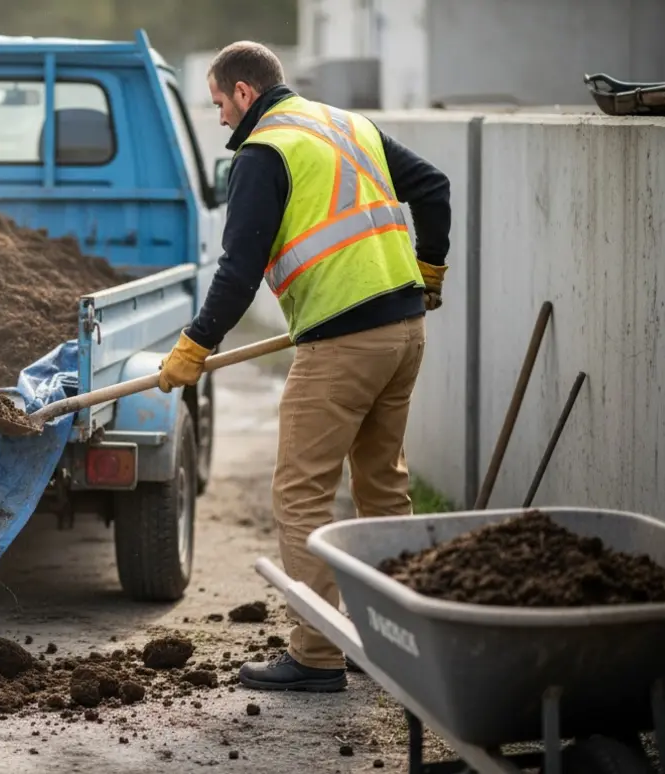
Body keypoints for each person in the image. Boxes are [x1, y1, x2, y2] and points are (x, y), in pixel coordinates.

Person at [157, 41, 451, 692]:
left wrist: (195, 346)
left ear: (243, 93)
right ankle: (393, 641)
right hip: (404, 331)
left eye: (218, 106)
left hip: (343, 344)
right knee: (381, 489)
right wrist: (430, 270)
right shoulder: (347, 125)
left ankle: (317, 654)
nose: (221, 123)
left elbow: (237, 271)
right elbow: (432, 186)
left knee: (301, 493)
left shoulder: (264, 153)